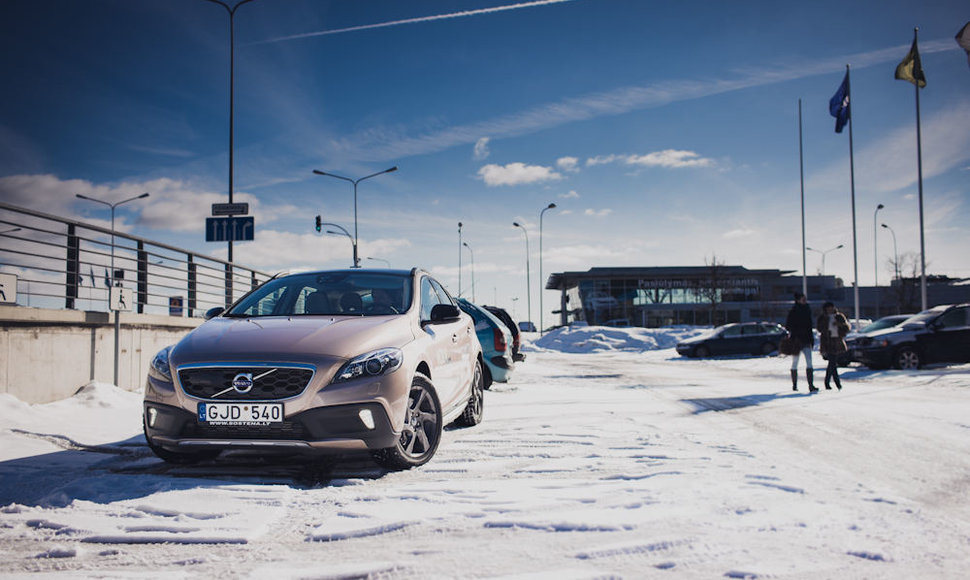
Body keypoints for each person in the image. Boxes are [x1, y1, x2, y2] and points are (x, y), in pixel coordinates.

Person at [785, 292, 817, 392]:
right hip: (796, 341)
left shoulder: (808, 310)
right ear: (798, 300)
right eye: (803, 299)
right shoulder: (793, 311)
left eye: (805, 299)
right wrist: (796, 331)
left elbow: (810, 326)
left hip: (806, 339)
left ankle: (811, 385)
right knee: (795, 362)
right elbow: (788, 326)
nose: (804, 300)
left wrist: (811, 340)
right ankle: (794, 385)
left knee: (809, 362)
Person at [816, 301, 850, 390]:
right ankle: (837, 383)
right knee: (833, 363)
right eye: (828, 308)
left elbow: (846, 328)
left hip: (837, 341)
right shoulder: (823, 318)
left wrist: (839, 325)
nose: (830, 310)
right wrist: (826, 327)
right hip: (827, 341)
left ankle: (827, 382)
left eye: (831, 308)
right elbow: (819, 328)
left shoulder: (839, 316)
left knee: (832, 363)